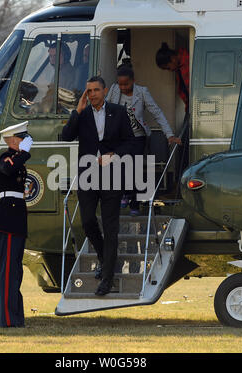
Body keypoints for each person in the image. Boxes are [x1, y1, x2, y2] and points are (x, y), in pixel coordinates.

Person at [61, 76, 134, 296]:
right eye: (88, 91)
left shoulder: (119, 112)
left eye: (95, 90)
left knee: (111, 229)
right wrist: (77, 111)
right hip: (88, 175)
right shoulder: (81, 115)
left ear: (105, 91)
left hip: (112, 176)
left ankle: (108, 278)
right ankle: (104, 257)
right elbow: (66, 137)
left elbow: (132, 142)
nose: (92, 94)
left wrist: (114, 154)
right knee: (88, 221)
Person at [106, 66, 181, 216]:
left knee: (135, 169)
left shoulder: (142, 92)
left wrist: (169, 134)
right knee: (120, 166)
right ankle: (126, 193)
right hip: (120, 137)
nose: (123, 87)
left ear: (133, 81)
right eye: (120, 84)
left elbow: (156, 112)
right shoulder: (114, 90)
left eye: (126, 84)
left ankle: (135, 205)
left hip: (138, 136)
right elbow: (104, 109)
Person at [0, 121, 33, 328]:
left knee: (16, 270)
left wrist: (22, 155)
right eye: (21, 138)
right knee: (8, 270)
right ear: (11, 140)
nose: (26, 142)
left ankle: (16, 317)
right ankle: (8, 319)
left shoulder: (17, 159)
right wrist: (23, 154)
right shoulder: (5, 157)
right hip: (8, 217)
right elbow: (8, 170)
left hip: (17, 217)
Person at [156, 42, 190, 112]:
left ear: (173, 58)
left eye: (168, 68)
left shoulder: (188, 61)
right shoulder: (179, 68)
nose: (170, 70)